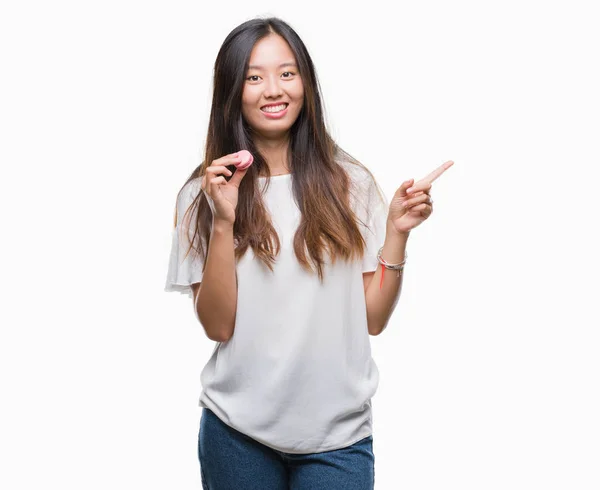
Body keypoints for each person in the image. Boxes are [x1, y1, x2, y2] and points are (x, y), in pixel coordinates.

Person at [164, 16, 453, 490]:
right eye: (254, 77)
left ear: (306, 83)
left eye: (287, 72)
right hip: (237, 434)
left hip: (339, 439)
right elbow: (217, 325)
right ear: (232, 90)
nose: (273, 89)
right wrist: (223, 220)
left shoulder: (350, 183)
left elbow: (373, 318)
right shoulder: (203, 193)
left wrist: (397, 232)